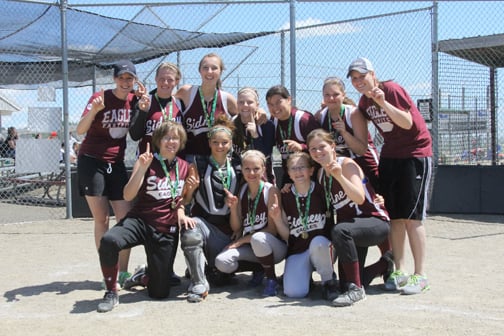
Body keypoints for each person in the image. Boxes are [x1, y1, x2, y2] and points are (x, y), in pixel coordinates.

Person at [347, 57, 433, 295]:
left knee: (412, 218)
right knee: (394, 216)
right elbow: (362, 137)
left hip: (415, 155)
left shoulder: (391, 90)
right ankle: (399, 270)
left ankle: (421, 274)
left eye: (361, 76)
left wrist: (383, 103)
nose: (358, 82)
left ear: (373, 74)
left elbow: (407, 123)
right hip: (390, 156)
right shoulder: (363, 102)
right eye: (354, 78)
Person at [96, 121, 197, 312]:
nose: (171, 141)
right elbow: (127, 195)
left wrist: (189, 192)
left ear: (181, 141)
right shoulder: (146, 161)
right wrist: (141, 169)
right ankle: (111, 292)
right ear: (158, 140)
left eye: (175, 138)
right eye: (167, 137)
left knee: (160, 293)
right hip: (141, 220)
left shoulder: (185, 166)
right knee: (109, 241)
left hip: (165, 228)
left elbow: (182, 200)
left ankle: (143, 275)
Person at [307, 129, 391, 307]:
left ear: (332, 146)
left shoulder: (346, 164)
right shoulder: (322, 175)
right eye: (312, 149)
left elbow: (359, 198)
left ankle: (357, 291)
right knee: (346, 282)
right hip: (353, 229)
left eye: (322, 147)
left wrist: (339, 176)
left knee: (340, 229)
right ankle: (387, 262)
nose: (317, 152)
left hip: (375, 222)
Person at [76, 59, 140, 287]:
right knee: (102, 219)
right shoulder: (100, 97)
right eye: (121, 78)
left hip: (117, 163)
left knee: (125, 218)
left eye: (129, 78)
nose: (125, 82)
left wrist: (143, 104)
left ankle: (122, 272)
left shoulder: (135, 100)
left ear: (135, 81)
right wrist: (94, 110)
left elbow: (138, 129)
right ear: (114, 79)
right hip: (92, 161)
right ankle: (108, 274)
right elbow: (80, 129)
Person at [180, 117, 241, 303]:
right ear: (209, 143)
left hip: (228, 231)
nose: (220, 146)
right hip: (204, 224)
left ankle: (205, 268)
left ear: (231, 143)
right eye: (215, 142)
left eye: (224, 142)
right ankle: (198, 283)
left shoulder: (239, 166)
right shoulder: (198, 164)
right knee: (190, 230)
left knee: (221, 278)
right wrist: (190, 189)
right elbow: (186, 200)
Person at [215, 150, 286, 296]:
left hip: (274, 247)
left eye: (256, 169)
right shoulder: (242, 191)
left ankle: (271, 279)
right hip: (253, 246)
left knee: (257, 238)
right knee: (221, 261)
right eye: (247, 169)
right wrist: (234, 209)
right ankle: (259, 269)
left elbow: (272, 230)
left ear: (264, 169)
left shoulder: (270, 190)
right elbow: (236, 227)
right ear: (242, 169)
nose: (251, 173)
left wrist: (241, 241)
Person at [269, 152, 338, 300]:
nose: (298, 172)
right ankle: (306, 278)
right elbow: (288, 235)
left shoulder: (322, 190)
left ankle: (328, 281)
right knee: (294, 293)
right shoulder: (285, 196)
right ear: (288, 173)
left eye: (302, 167)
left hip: (323, 248)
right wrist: (277, 219)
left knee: (318, 243)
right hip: (298, 250)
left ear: (311, 170)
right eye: (293, 168)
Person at [316, 77, 380, 191]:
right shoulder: (321, 116)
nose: (331, 98)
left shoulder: (353, 113)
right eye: (327, 95)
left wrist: (345, 133)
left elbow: (361, 150)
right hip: (341, 168)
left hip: (364, 164)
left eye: (335, 94)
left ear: (343, 95)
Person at [175, 53, 237, 162]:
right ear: (200, 70)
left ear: (220, 72)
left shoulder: (227, 99)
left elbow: (244, 116)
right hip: (190, 158)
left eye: (214, 68)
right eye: (205, 68)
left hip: (218, 160)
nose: (209, 71)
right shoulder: (187, 92)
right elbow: (165, 103)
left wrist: (258, 112)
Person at [266, 85, 319, 187]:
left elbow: (323, 146)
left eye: (278, 102)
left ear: (289, 100)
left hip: (312, 175)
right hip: (289, 175)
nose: (274, 108)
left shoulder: (304, 119)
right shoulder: (273, 121)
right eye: (270, 104)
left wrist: (302, 147)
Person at [129, 62, 184, 155]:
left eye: (170, 79)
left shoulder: (180, 103)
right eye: (161, 79)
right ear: (155, 78)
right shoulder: (145, 101)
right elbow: (135, 136)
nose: (165, 82)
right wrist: (143, 112)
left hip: (172, 161)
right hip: (147, 161)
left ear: (177, 81)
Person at [231, 87, 276, 184]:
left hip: (262, 176)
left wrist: (255, 135)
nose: (245, 105)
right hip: (238, 175)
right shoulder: (232, 123)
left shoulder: (266, 125)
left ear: (257, 105)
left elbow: (266, 154)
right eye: (241, 102)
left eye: (250, 102)